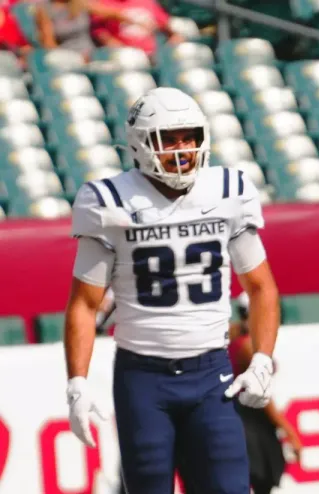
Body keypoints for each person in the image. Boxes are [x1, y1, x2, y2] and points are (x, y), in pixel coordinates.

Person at [63, 87, 281, 493]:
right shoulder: (108, 200)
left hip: (212, 373)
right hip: (143, 378)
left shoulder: (227, 190)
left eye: (189, 136)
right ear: (140, 143)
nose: (182, 149)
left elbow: (262, 287)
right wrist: (77, 381)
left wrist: (262, 359)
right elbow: (84, 303)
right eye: (169, 139)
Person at [230, 294, 303, 494]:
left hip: (243, 419)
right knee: (260, 478)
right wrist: (290, 432)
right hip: (249, 422)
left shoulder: (237, 338)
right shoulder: (246, 347)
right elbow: (262, 397)